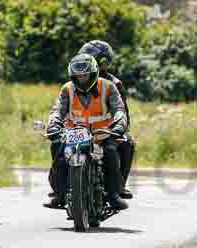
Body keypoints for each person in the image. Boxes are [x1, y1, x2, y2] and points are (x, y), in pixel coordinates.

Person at [44, 53, 129, 211]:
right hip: (73, 135)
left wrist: (118, 126)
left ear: (93, 73)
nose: (82, 78)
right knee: (59, 152)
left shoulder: (108, 86)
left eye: (85, 75)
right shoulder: (67, 89)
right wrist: (53, 125)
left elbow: (119, 109)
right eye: (78, 76)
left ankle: (113, 195)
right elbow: (57, 110)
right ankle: (59, 193)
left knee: (111, 153)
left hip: (102, 135)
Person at [77, 40, 135, 199]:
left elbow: (122, 112)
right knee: (58, 145)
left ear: (104, 63)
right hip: (78, 131)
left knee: (127, 143)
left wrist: (120, 128)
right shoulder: (76, 82)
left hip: (106, 131)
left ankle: (118, 186)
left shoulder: (114, 84)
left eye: (92, 61)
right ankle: (59, 189)